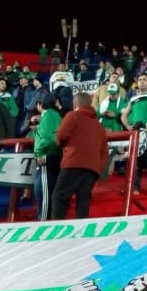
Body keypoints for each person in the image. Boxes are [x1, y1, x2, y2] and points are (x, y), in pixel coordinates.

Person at [50, 92, 108, 220]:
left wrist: (62, 145)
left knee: (60, 197)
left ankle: (57, 228)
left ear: (74, 104)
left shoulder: (73, 115)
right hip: (92, 169)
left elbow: (60, 136)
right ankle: (82, 230)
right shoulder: (99, 126)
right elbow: (104, 152)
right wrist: (98, 169)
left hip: (73, 163)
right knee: (83, 201)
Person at [120, 71, 147, 195]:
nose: (142, 82)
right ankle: (135, 187)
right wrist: (128, 127)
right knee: (136, 161)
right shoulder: (133, 99)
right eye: (140, 80)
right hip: (136, 133)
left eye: (145, 79)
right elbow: (124, 115)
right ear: (137, 83)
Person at [33, 93, 63, 220]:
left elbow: (48, 137)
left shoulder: (48, 115)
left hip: (47, 156)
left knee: (44, 192)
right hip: (52, 155)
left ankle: (44, 221)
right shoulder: (54, 115)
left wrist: (39, 153)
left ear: (41, 104)